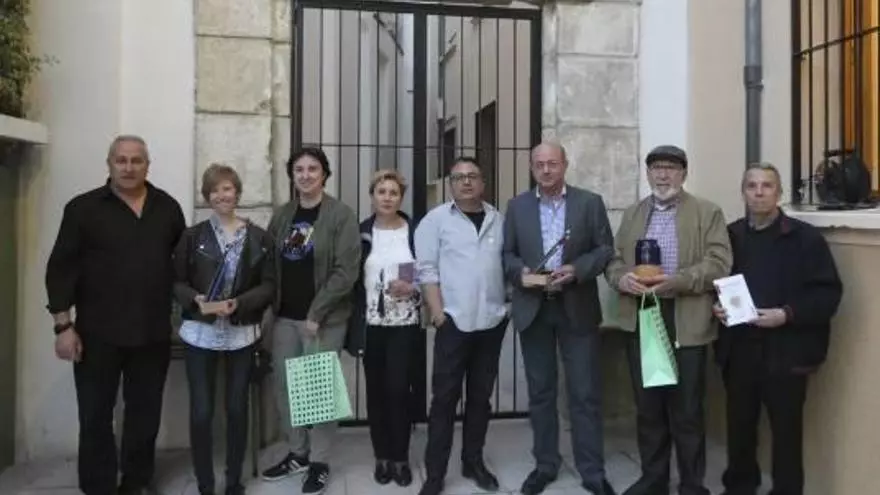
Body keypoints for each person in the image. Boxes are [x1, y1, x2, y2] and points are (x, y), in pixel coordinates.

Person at [45, 135, 186, 495]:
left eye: (136, 160)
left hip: (152, 332)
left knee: (144, 415)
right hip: (96, 334)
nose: (128, 167)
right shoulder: (82, 209)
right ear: (109, 164)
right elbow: (60, 270)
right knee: (95, 415)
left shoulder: (168, 208)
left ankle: (136, 483)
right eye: (121, 160)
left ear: (148, 165)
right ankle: (98, 487)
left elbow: (183, 267)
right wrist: (63, 327)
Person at [605, 145, 732, 495]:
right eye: (656, 168)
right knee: (649, 406)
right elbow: (613, 260)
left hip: (685, 317)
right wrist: (621, 279)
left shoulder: (707, 212)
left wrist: (678, 281)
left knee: (687, 408)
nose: (663, 175)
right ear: (648, 174)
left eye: (671, 168)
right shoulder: (633, 214)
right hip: (644, 315)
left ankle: (691, 484)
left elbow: (719, 262)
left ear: (684, 174)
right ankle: (654, 479)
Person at [713, 162, 842, 495]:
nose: (759, 193)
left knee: (786, 433)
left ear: (779, 193)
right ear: (743, 193)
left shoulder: (805, 238)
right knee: (740, 428)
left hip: (787, 352)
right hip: (740, 350)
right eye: (752, 186)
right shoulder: (730, 236)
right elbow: (716, 283)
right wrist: (718, 308)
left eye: (767, 186)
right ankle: (740, 487)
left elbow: (827, 294)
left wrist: (786, 315)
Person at [502, 141, 616, 495]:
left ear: (565, 165)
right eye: (539, 164)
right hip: (534, 307)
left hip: (576, 305)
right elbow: (507, 254)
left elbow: (604, 249)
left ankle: (592, 471)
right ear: (532, 168)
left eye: (553, 163)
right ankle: (545, 465)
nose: (546, 170)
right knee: (540, 392)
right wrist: (520, 273)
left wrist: (577, 269)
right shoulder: (517, 206)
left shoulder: (589, 203)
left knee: (584, 393)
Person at [261, 147, 360, 494]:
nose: (305, 175)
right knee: (286, 389)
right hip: (284, 317)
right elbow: (270, 262)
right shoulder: (283, 215)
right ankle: (298, 453)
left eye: (312, 169)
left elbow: (346, 271)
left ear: (324, 174)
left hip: (323, 320)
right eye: (299, 169)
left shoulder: (341, 215)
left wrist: (316, 312)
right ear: (292, 175)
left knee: (316, 392)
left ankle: (319, 461)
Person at [172, 164, 276, 495]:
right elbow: (176, 282)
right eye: (214, 190)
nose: (221, 195)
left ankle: (234, 481)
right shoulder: (192, 237)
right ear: (207, 197)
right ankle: (205, 483)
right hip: (200, 333)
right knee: (202, 412)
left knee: (236, 409)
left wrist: (240, 303)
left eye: (227, 188)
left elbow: (269, 285)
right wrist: (195, 298)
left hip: (241, 332)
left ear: (237, 193)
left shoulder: (259, 238)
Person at [414, 158, 508, 495]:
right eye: (458, 177)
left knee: (481, 399)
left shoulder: (498, 220)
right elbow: (426, 269)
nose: (466, 182)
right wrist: (438, 314)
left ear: (483, 182)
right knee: (444, 400)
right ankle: (435, 473)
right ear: (450, 184)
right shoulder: (435, 221)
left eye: (472, 176)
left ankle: (473, 461)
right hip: (453, 322)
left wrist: (506, 307)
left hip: (491, 322)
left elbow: (508, 264)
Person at [347, 169, 421, 487]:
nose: (387, 198)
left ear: (401, 198)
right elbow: (351, 277)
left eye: (393, 192)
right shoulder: (362, 232)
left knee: (399, 390)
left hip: (405, 324)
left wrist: (413, 286)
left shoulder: (414, 231)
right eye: (381, 192)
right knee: (376, 392)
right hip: (372, 325)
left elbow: (427, 269)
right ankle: (382, 457)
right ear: (372, 196)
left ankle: (401, 457)